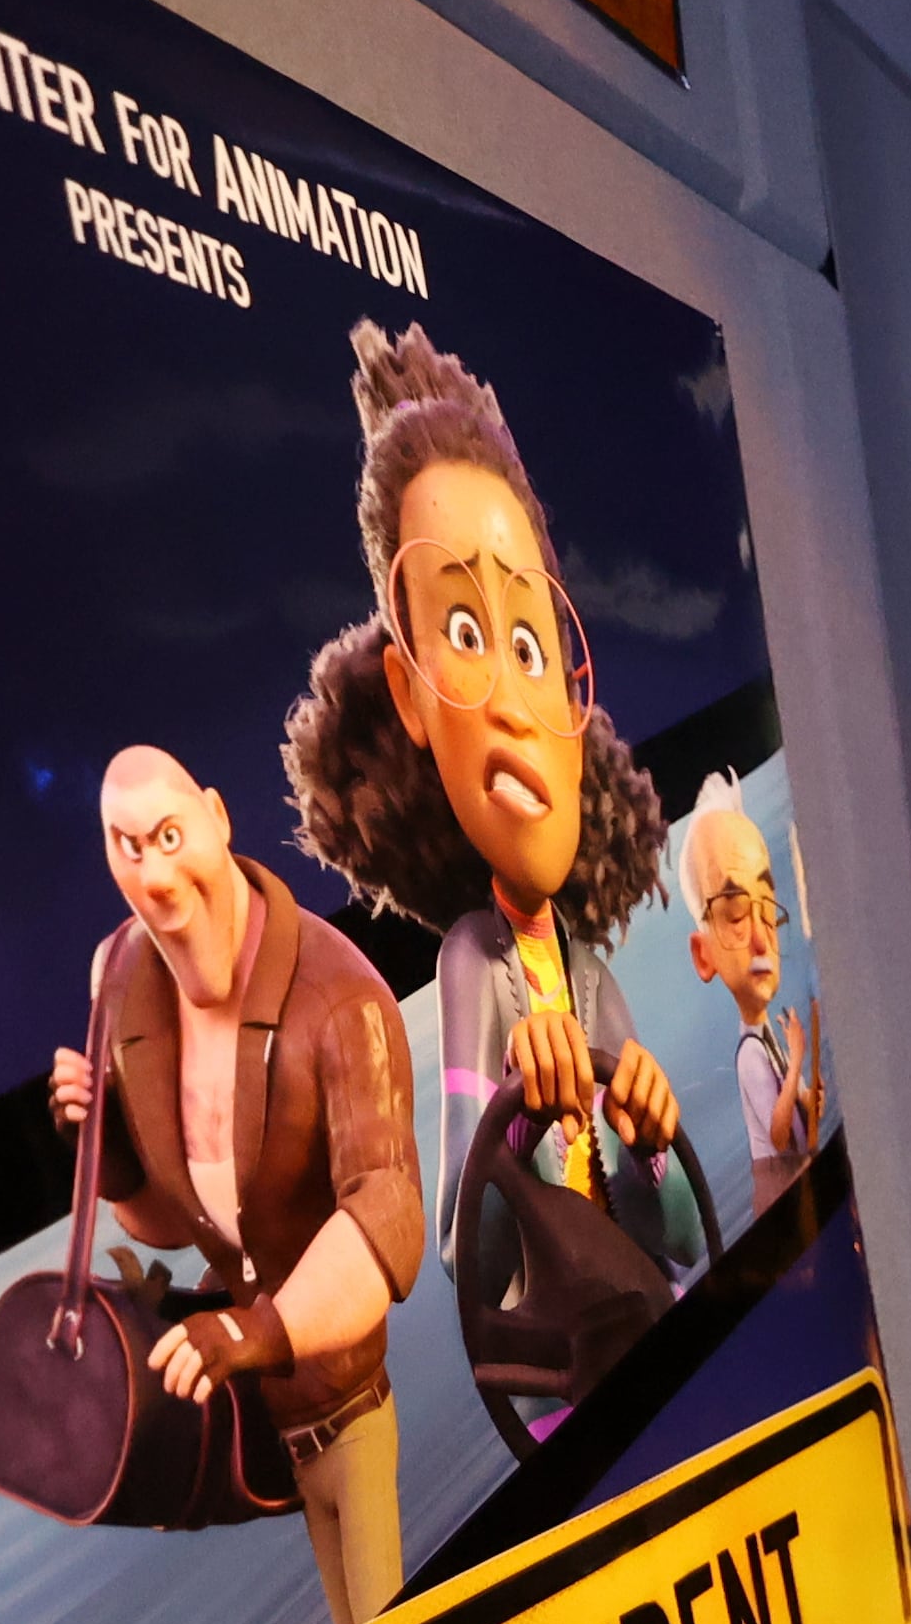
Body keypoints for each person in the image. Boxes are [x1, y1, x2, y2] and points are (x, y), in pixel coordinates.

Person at [280, 321, 697, 1295]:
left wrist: (654, 1142)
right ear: (411, 689)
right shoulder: (475, 955)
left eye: (531, 647)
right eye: (465, 633)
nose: (510, 700)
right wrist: (523, 1112)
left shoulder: (588, 977)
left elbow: (674, 1233)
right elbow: (473, 1255)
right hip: (565, 1387)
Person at [45, 747, 423, 1624]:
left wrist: (253, 1331)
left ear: (218, 817)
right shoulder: (123, 984)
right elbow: (172, 1224)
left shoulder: (344, 1002)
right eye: (127, 846)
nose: (159, 879)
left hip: (351, 1406)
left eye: (171, 836)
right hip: (266, 1433)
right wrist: (107, 1147)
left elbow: (386, 1219)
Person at [683, 775, 823, 1184]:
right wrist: (797, 1058)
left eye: (767, 909)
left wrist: (807, 1099)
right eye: (737, 915)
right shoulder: (749, 1055)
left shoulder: (767, 1039)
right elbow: (779, 1136)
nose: (762, 939)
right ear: (702, 954)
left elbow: (789, 1104)